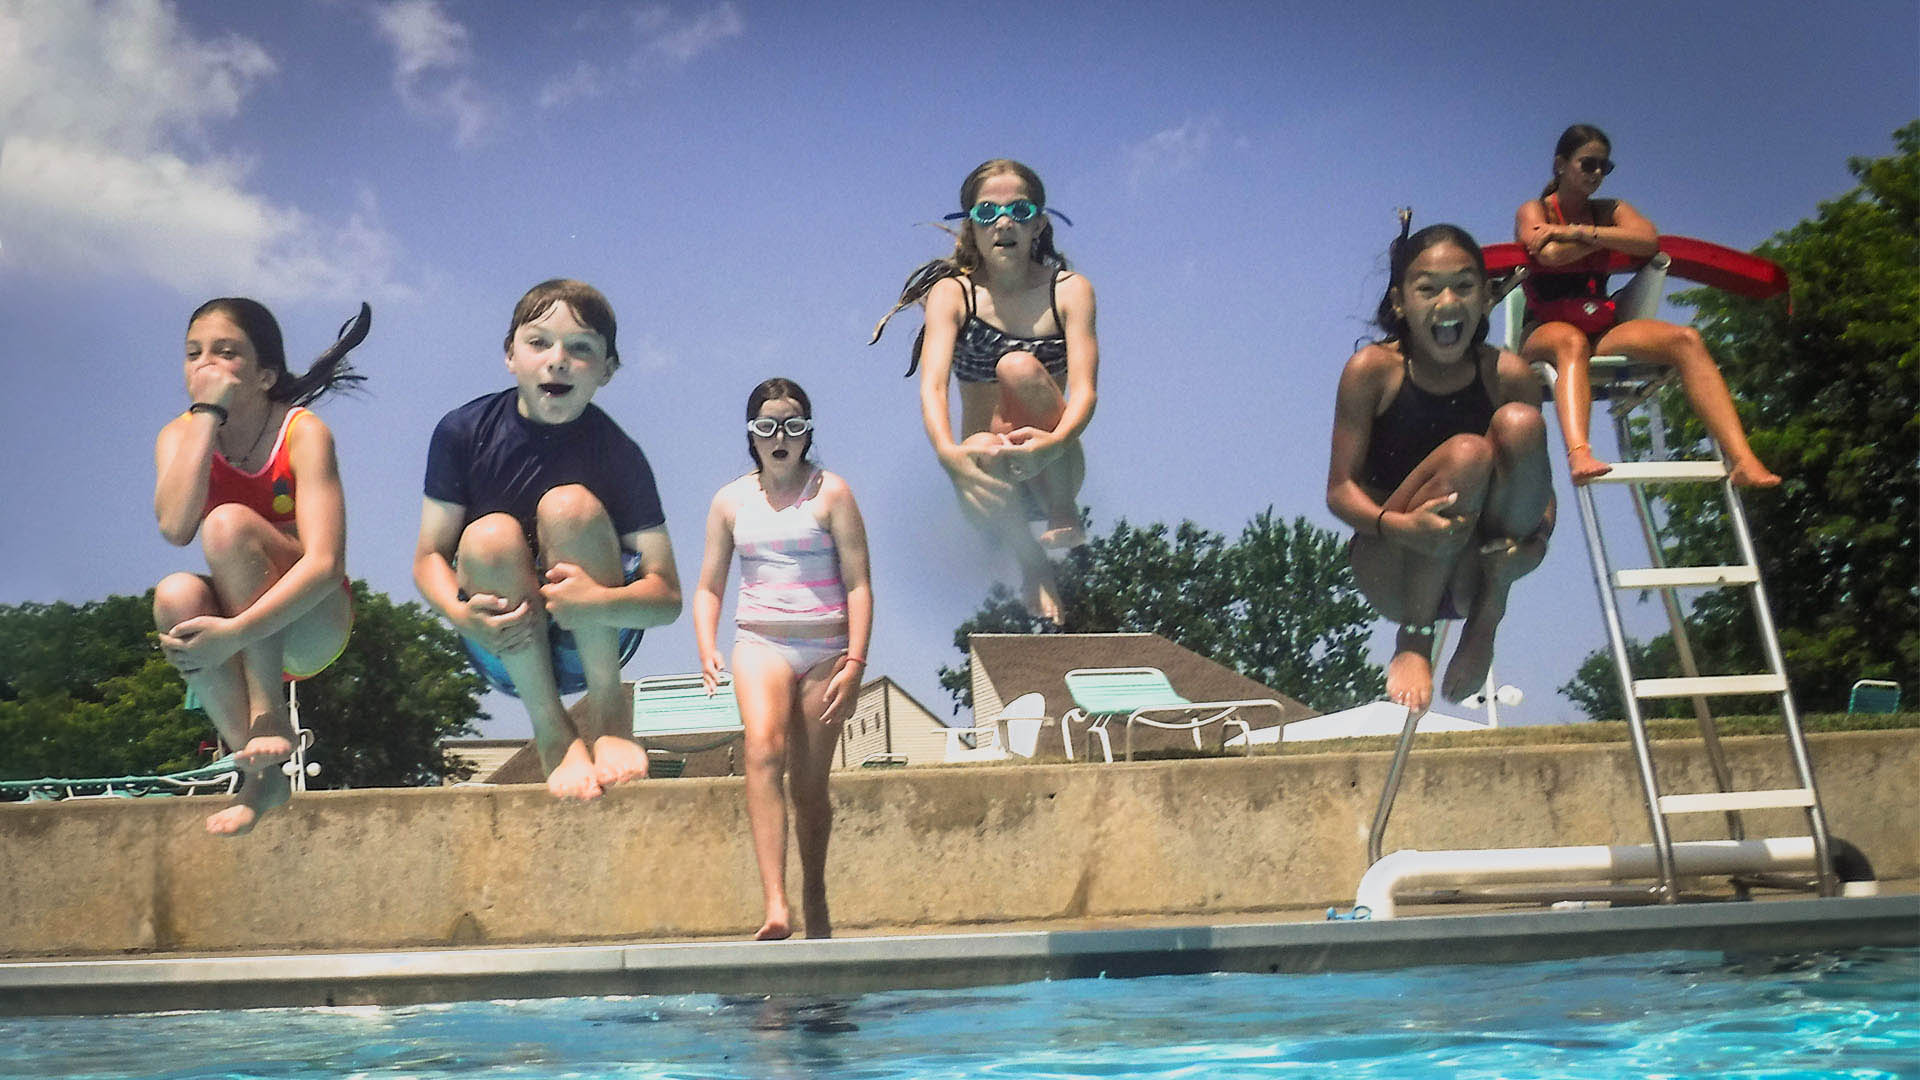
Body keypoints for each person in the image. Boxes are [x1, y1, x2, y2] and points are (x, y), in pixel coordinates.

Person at [414, 279, 681, 802]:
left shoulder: (619, 454)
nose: (557, 360)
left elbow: (667, 598)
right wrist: (458, 611)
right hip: (503, 642)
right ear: (510, 355)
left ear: (607, 370)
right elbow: (428, 558)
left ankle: (607, 712)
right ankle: (552, 728)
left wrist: (599, 601)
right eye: (538, 342)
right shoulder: (462, 434)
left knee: (570, 506)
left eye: (580, 348)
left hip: (596, 640)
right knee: (488, 535)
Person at [153, 297, 371, 836]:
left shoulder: (303, 432)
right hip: (239, 638)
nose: (205, 365)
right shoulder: (179, 436)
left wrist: (235, 634)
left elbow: (325, 563)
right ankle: (258, 773)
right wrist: (207, 416)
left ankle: (269, 712)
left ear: (264, 374)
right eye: (193, 353)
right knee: (174, 596)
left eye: (226, 353)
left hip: (311, 622)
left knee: (228, 524)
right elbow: (176, 528)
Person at [1327, 216, 1556, 714]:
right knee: (1467, 453)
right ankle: (1414, 638)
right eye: (1428, 289)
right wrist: (1399, 526)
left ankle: (1487, 618)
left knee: (1520, 424)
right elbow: (1340, 491)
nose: (1447, 303)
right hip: (1393, 564)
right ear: (1399, 303)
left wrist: (1534, 544)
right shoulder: (1372, 372)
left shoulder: (1508, 376)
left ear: (1488, 298)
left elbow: (1540, 489)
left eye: (1464, 287)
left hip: (1478, 569)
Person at [872, 158, 1097, 624]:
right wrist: (947, 455)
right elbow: (933, 387)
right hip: (987, 479)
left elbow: (1086, 393)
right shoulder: (954, 294)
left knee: (1017, 367)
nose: (1003, 222)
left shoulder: (1070, 290)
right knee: (976, 444)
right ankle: (1032, 562)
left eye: (1018, 210)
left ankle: (1061, 511)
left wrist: (1051, 446)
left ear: (1038, 223)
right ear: (971, 230)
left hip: (1054, 466)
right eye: (986, 213)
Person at [693, 378, 873, 940]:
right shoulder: (730, 501)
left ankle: (813, 891)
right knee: (763, 749)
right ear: (752, 436)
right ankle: (776, 904)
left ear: (807, 433)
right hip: (760, 643)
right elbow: (708, 588)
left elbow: (859, 584)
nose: (781, 438)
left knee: (811, 786)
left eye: (793, 427)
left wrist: (856, 662)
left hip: (826, 649)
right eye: (768, 427)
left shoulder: (832, 494)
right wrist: (706, 643)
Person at [1516, 123, 1780, 487]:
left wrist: (1579, 233)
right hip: (1544, 331)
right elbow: (1550, 256)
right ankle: (1580, 454)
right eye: (1588, 164)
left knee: (1685, 339)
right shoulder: (1535, 210)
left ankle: (1744, 460)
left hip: (1598, 325)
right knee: (1570, 343)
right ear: (1561, 164)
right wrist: (1602, 240)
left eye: (1604, 168)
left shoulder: (1609, 209)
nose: (1596, 174)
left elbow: (1647, 240)